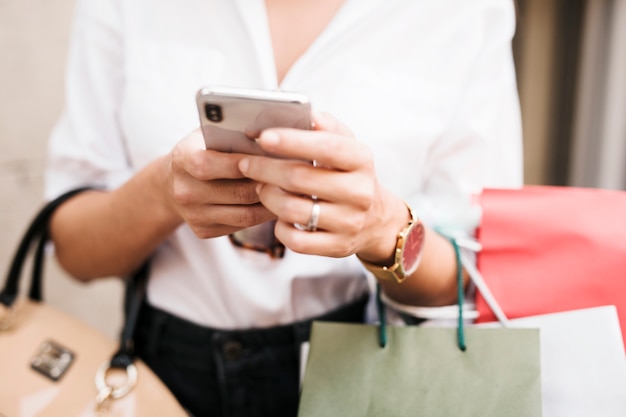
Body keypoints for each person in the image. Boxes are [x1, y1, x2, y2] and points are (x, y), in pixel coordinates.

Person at [45, 0, 523, 415]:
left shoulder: (464, 11)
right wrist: (162, 190)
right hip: (163, 373)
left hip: (363, 365)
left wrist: (384, 230)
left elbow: (477, 275)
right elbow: (74, 250)